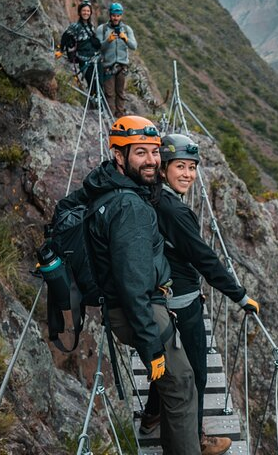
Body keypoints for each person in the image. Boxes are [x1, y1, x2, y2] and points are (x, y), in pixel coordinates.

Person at [67, 116, 200, 455]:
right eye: (140, 153)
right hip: (141, 312)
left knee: (174, 387)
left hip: (120, 307)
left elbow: (68, 206)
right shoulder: (130, 207)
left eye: (155, 152)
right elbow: (132, 284)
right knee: (182, 386)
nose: (153, 161)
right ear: (119, 155)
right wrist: (151, 346)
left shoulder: (103, 184)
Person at [139, 133, 260, 455]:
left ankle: (152, 414)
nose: (188, 175)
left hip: (158, 300)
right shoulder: (175, 211)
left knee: (167, 362)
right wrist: (239, 295)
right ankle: (196, 440)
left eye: (192, 168)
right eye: (181, 166)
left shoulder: (150, 196)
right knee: (195, 376)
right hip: (181, 305)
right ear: (163, 168)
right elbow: (204, 257)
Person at [96, 2, 137, 118]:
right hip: (108, 66)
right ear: (110, 15)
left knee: (120, 93)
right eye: (114, 15)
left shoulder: (127, 29)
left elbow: (134, 46)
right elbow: (98, 46)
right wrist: (108, 40)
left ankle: (120, 116)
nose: (116, 18)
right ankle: (110, 117)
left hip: (122, 67)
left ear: (121, 16)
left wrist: (125, 39)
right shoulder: (102, 29)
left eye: (118, 15)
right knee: (109, 93)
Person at [59, 0, 101, 94]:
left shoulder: (91, 26)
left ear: (90, 13)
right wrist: (61, 50)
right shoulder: (75, 26)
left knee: (98, 82)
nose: (86, 13)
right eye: (84, 10)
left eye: (88, 11)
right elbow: (65, 37)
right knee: (91, 82)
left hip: (94, 58)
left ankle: (97, 103)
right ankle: (93, 103)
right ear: (80, 12)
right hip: (84, 59)